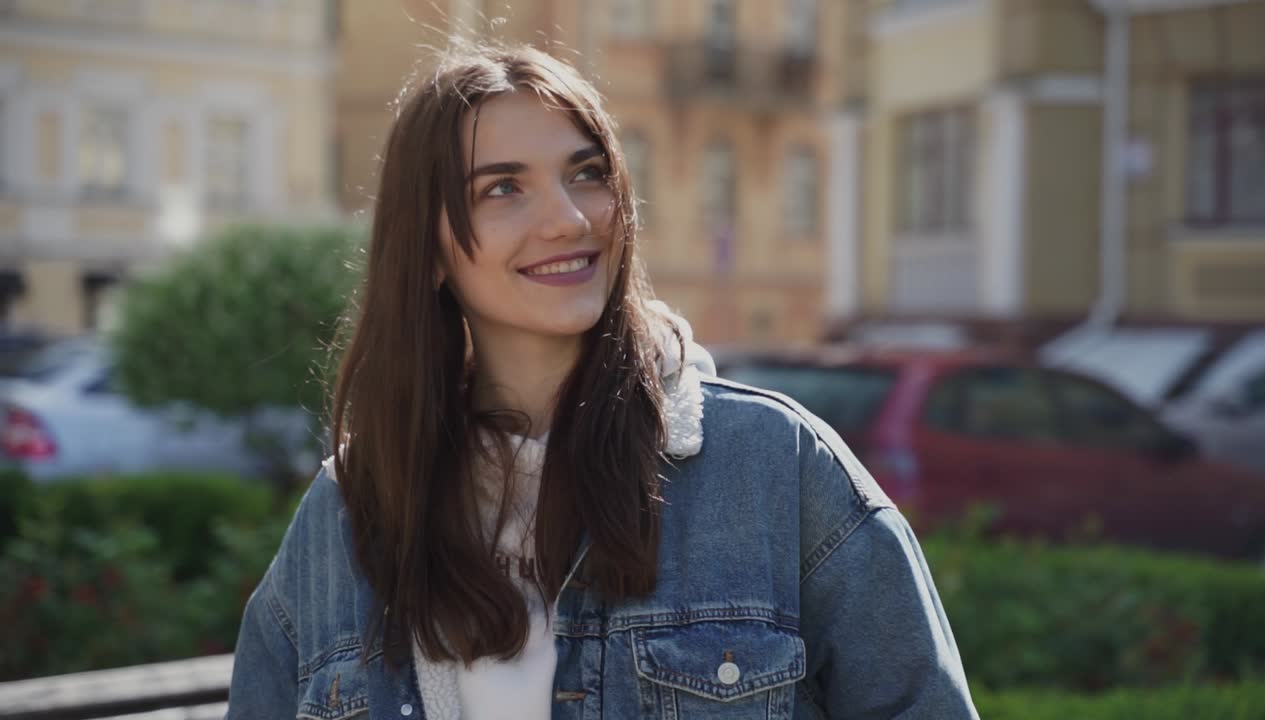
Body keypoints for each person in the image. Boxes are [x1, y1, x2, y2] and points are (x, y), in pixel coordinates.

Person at [226, 42, 979, 719]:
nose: (569, 218)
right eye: (503, 188)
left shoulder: (774, 466)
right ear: (426, 251)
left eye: (587, 175)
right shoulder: (348, 515)